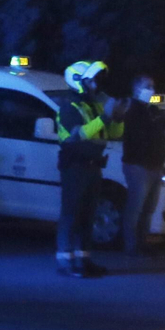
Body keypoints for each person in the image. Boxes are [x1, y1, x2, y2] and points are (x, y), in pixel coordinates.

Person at [55, 60, 125, 277]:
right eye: (91, 81)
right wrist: (105, 116)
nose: (95, 86)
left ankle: (83, 261)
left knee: (87, 215)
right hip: (75, 167)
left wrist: (118, 117)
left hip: (93, 168)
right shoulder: (69, 108)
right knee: (71, 215)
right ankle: (66, 262)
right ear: (77, 82)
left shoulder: (92, 106)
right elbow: (80, 134)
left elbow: (113, 134)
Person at [119, 75, 165, 255]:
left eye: (153, 86)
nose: (152, 89)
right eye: (148, 86)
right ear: (137, 89)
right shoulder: (131, 109)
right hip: (138, 165)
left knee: (148, 209)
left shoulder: (152, 110)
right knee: (135, 208)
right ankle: (131, 246)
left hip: (155, 165)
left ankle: (141, 243)